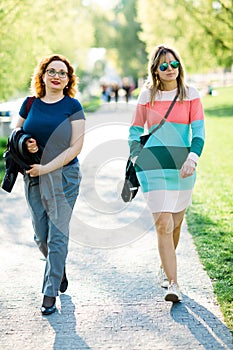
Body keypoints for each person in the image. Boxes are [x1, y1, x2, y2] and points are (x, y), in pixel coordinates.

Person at [128, 45, 205, 302]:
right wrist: (137, 156)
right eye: (163, 66)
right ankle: (174, 284)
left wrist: (192, 160)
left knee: (176, 224)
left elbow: (199, 134)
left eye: (173, 64)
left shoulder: (191, 95)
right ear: (155, 70)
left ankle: (164, 265)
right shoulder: (147, 95)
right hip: (153, 167)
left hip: (182, 170)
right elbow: (134, 130)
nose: (169, 69)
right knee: (163, 223)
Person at [15, 54, 85, 315]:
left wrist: (48, 167)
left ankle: (49, 291)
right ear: (43, 75)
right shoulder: (30, 102)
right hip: (33, 175)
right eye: (52, 71)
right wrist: (25, 140)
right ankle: (59, 267)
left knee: (58, 233)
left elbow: (77, 145)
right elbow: (16, 129)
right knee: (41, 236)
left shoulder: (73, 106)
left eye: (63, 73)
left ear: (68, 80)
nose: (57, 76)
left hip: (65, 176)